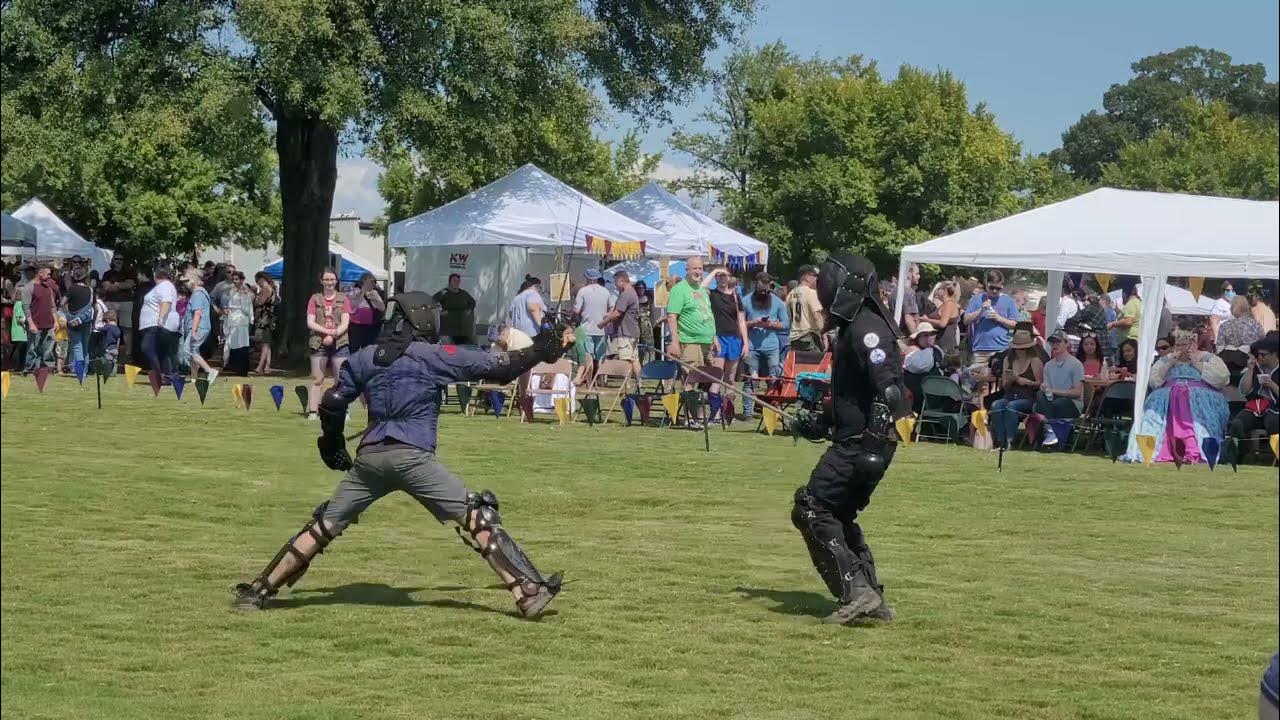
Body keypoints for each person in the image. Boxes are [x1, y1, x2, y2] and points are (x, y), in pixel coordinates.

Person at [233, 293, 574, 618]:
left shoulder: (364, 357)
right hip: (412, 457)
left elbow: (333, 403)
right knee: (478, 516)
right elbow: (500, 367)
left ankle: (258, 590)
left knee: (325, 524)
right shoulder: (434, 355)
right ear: (423, 319)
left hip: (370, 460)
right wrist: (542, 347)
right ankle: (527, 590)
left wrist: (333, 444)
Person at [790, 251, 910, 625]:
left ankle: (858, 592)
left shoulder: (867, 328)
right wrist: (823, 422)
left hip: (864, 443)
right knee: (837, 513)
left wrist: (873, 442)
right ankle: (870, 594)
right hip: (858, 439)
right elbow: (852, 395)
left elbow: (889, 389)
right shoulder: (852, 327)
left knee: (812, 507)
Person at [1125, 329, 1230, 464]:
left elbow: (1221, 378)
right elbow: (1154, 381)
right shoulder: (1168, 359)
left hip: (1199, 397)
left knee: (1184, 399)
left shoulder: (1207, 357)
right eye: (1178, 345)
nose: (1181, 348)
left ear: (1193, 344)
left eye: (1185, 345)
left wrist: (1197, 364)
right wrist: (1169, 364)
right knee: (1162, 407)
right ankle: (1158, 449)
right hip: (1167, 396)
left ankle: (1193, 451)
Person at [665, 256, 715, 428]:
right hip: (689, 341)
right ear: (687, 270)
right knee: (690, 379)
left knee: (703, 380)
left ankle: (698, 416)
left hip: (706, 342)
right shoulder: (680, 290)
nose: (698, 272)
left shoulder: (702, 290)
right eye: (694, 268)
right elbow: (672, 316)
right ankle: (691, 418)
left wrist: (714, 337)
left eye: (700, 268)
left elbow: (707, 314)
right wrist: (674, 342)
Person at [741, 271, 789, 419]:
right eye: (760, 290)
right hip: (752, 347)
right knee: (751, 380)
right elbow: (740, 323)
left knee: (773, 380)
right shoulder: (745, 301)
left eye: (766, 290)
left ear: (770, 287)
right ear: (755, 286)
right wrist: (754, 322)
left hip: (772, 347)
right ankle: (747, 413)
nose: (763, 293)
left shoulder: (778, 302)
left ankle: (770, 412)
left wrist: (770, 324)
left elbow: (785, 324)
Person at [306, 267, 352, 418]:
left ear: (336, 281)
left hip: (340, 342)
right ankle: (313, 411)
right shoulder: (314, 299)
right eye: (326, 279)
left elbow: (345, 323)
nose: (329, 282)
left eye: (332, 279)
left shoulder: (343, 299)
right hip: (318, 342)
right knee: (317, 378)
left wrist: (333, 334)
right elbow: (310, 322)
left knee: (341, 379)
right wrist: (326, 332)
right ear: (321, 281)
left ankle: (343, 410)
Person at [988, 327, 1043, 450]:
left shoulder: (1035, 361)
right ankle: (1001, 440)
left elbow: (1041, 384)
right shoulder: (1008, 360)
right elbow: (1004, 386)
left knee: (1011, 406)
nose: (1020, 351)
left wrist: (1027, 382)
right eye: (1018, 348)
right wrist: (1011, 380)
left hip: (1029, 397)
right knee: (996, 405)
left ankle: (1010, 441)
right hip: (1010, 395)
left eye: (1023, 348)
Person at [709, 271, 749, 416]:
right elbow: (701, 287)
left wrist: (746, 343)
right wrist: (713, 272)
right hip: (718, 337)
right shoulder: (711, 295)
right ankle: (715, 413)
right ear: (715, 277)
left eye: (725, 275)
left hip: (734, 338)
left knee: (730, 379)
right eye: (719, 275)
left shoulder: (735, 296)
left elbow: (741, 321)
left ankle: (728, 413)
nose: (722, 278)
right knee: (717, 377)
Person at [962, 270, 1019, 371]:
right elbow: (966, 320)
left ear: (1002, 285)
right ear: (986, 284)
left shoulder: (1008, 301)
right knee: (977, 379)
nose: (995, 291)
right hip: (980, 349)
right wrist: (981, 310)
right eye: (992, 287)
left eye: (998, 288)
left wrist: (999, 318)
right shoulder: (977, 299)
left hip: (1001, 349)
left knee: (999, 378)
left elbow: (1015, 324)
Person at [1228, 331, 1279, 442]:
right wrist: (1250, 369)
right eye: (1257, 354)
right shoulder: (1256, 368)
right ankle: (1240, 449)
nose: (1259, 357)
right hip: (1257, 407)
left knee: (1273, 422)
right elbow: (1244, 391)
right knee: (1238, 423)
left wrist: (1272, 385)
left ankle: (1272, 450)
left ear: (1274, 354)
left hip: (1276, 410)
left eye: (1263, 354)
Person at [1037, 331, 1086, 443]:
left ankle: (1050, 430)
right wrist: (1045, 388)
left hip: (1073, 403)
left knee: (1056, 404)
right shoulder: (1048, 365)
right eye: (1052, 342)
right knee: (1040, 396)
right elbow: (1047, 390)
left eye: (1058, 342)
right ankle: (1052, 432)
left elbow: (1078, 393)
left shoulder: (1076, 364)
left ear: (1066, 343)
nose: (1055, 345)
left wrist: (1053, 391)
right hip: (1053, 400)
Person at [598, 271, 642, 388]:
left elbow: (618, 312)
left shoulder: (626, 294)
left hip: (626, 332)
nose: (615, 285)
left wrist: (604, 322)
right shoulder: (632, 292)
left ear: (621, 281)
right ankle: (639, 383)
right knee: (634, 359)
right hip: (633, 331)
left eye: (616, 282)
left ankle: (627, 385)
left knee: (626, 359)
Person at [138, 266, 179, 375]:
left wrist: (161, 318)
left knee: (147, 347)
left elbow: (166, 302)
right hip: (153, 323)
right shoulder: (164, 286)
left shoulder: (164, 286)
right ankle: (166, 375)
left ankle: (159, 373)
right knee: (161, 352)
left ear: (155, 275)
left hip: (155, 323)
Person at [180, 270, 218, 382]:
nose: (185, 284)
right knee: (193, 351)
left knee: (188, 350)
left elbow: (197, 313)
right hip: (199, 327)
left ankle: (210, 371)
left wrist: (193, 331)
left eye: (187, 281)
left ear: (194, 280)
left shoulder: (198, 294)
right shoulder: (200, 293)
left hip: (198, 327)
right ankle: (194, 378)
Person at [903, 322, 944, 412]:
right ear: (918, 337)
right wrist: (929, 349)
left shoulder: (936, 350)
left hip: (936, 391)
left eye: (932, 334)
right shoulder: (913, 350)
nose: (929, 337)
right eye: (925, 335)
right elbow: (920, 366)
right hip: (919, 393)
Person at [574, 268, 612, 364]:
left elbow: (576, 311)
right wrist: (606, 317)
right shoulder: (606, 291)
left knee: (588, 357)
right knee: (601, 357)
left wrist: (573, 318)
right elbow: (612, 308)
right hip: (601, 329)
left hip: (587, 329)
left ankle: (590, 373)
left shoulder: (583, 291)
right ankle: (600, 373)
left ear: (588, 278)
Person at [222, 271, 255, 376]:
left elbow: (246, 307)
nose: (235, 281)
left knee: (241, 342)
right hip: (232, 318)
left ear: (241, 280)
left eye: (236, 279)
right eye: (233, 279)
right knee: (233, 342)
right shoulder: (232, 290)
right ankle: (234, 366)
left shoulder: (245, 291)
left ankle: (242, 368)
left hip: (241, 319)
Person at [786, 265, 825, 353]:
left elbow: (788, 317)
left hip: (794, 339)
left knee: (799, 361)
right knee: (815, 362)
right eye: (815, 276)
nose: (817, 279)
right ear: (807, 276)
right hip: (810, 338)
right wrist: (824, 335)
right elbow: (817, 316)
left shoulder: (790, 294)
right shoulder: (811, 293)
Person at [347, 272, 386, 353]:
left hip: (371, 326)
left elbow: (382, 308)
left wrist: (374, 299)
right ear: (362, 282)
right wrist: (363, 292)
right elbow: (352, 305)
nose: (370, 284)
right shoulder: (355, 291)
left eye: (372, 282)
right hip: (356, 326)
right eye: (368, 282)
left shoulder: (375, 292)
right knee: (354, 348)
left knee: (368, 349)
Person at [434, 273, 476, 345]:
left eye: (458, 281)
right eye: (454, 281)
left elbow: (473, 302)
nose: (457, 283)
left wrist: (469, 309)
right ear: (449, 282)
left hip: (462, 331)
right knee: (448, 350)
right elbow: (432, 301)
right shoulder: (444, 292)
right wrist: (439, 312)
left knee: (462, 350)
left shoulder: (463, 293)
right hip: (447, 330)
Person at [922, 281, 961, 354]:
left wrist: (927, 320)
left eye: (939, 288)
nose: (936, 291)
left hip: (946, 346)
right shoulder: (944, 304)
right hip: (939, 343)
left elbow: (942, 323)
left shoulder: (949, 304)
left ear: (944, 291)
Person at [252, 272, 278, 375]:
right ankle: (267, 367)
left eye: (257, 281)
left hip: (265, 319)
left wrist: (254, 295)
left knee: (264, 344)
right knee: (267, 343)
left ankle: (260, 366)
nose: (257, 283)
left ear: (261, 279)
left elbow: (259, 302)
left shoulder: (266, 289)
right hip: (268, 319)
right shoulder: (271, 289)